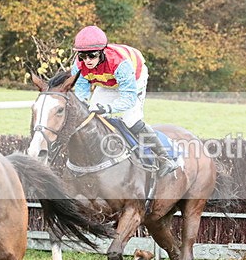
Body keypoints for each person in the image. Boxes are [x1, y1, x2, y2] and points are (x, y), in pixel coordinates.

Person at [71, 25, 178, 177]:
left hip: (133, 80)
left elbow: (128, 98)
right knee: (90, 117)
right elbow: (81, 93)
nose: (87, 60)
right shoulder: (78, 65)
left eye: (92, 55)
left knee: (130, 120)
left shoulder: (119, 63)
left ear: (102, 52)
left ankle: (165, 158)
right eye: (82, 56)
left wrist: (108, 108)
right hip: (106, 84)